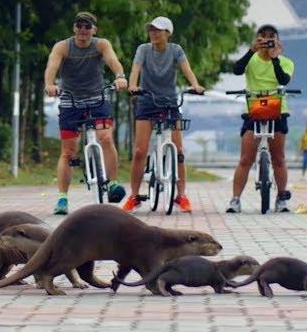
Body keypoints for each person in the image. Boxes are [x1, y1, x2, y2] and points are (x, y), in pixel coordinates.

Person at [44, 11, 128, 215]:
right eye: (79, 26)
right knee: (68, 151)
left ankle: (113, 182)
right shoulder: (63, 47)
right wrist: (49, 84)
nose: (83, 30)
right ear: (74, 28)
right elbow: (52, 66)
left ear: (94, 30)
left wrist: (120, 76)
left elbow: (113, 61)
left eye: (87, 26)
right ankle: (63, 198)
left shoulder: (101, 44)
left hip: (97, 98)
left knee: (106, 138)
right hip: (70, 100)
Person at [121, 16, 205, 213]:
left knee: (179, 151)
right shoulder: (143, 49)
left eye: (157, 30)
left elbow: (187, 70)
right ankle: (134, 196)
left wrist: (195, 85)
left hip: (169, 102)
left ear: (168, 33)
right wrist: (133, 85)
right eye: (151, 30)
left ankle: (181, 195)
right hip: (147, 101)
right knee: (140, 151)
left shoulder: (175, 50)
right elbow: (135, 69)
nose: (153, 33)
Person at [226, 24, 295, 213]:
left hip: (277, 110)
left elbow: (283, 80)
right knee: (245, 159)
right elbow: (237, 70)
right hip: (254, 109)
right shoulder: (252, 59)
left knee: (279, 158)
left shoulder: (285, 62)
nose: (266, 41)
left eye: (271, 37)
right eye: (262, 37)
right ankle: (235, 199)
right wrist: (251, 51)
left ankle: (281, 198)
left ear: (278, 40)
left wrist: (274, 58)